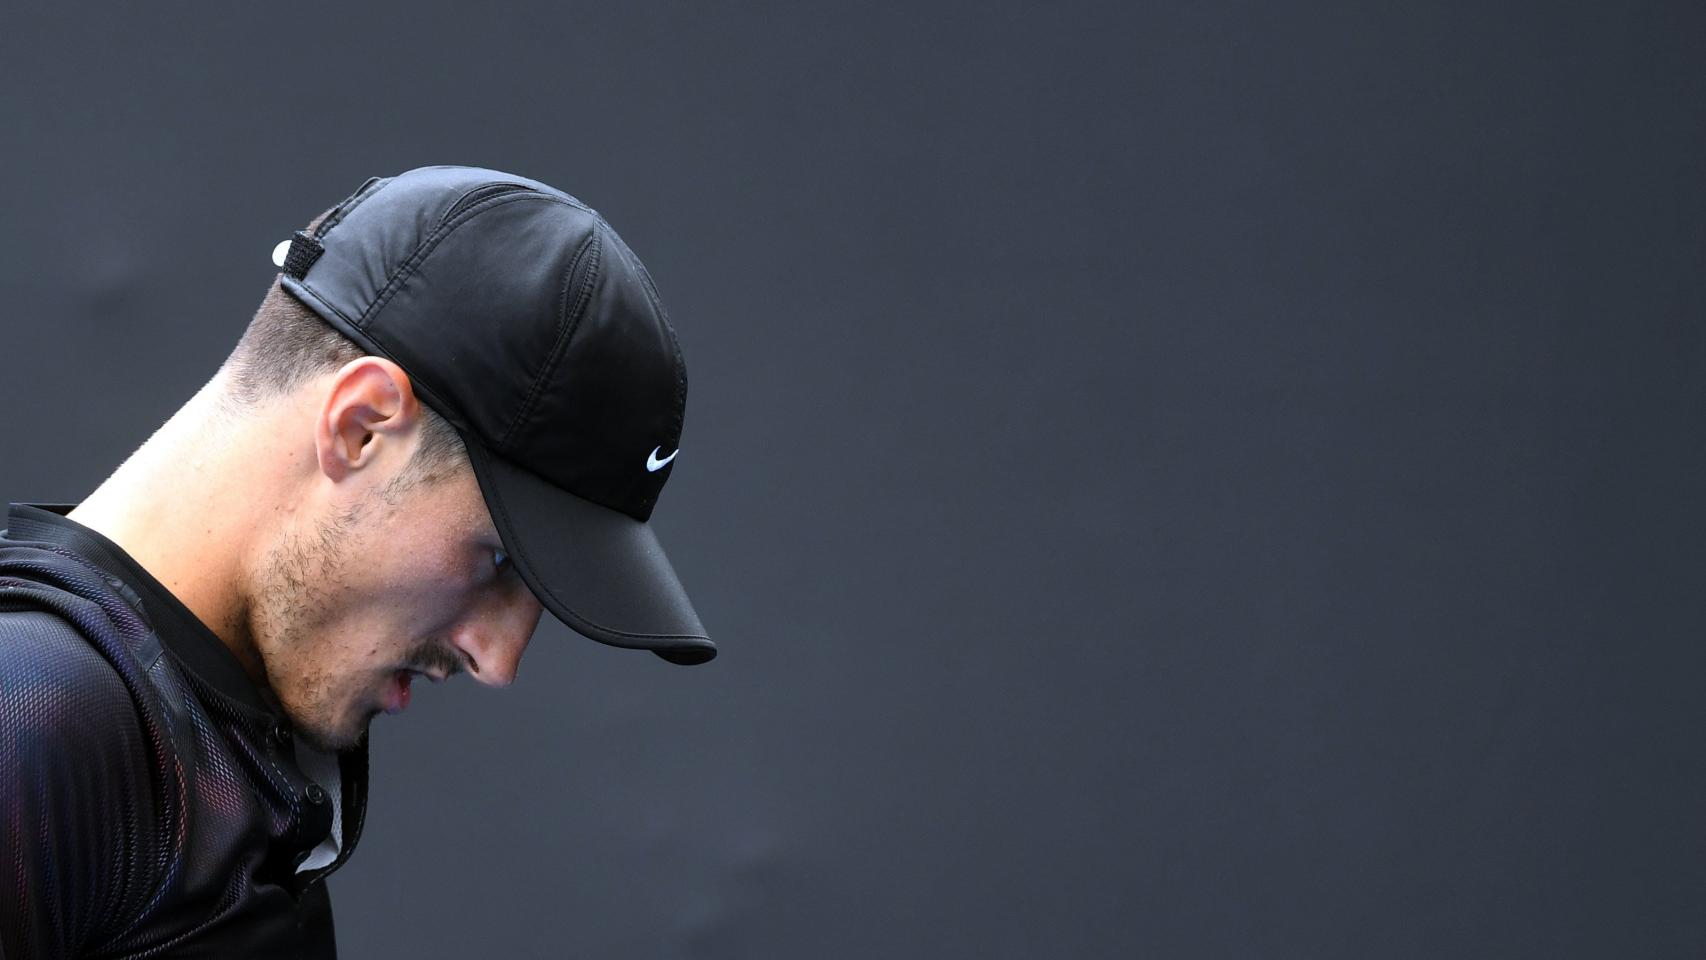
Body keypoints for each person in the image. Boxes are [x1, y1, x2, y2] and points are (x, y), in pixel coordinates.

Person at [0, 165, 717, 959]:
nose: (500, 659)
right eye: (502, 559)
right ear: (362, 428)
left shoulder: (191, 737)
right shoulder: (31, 720)